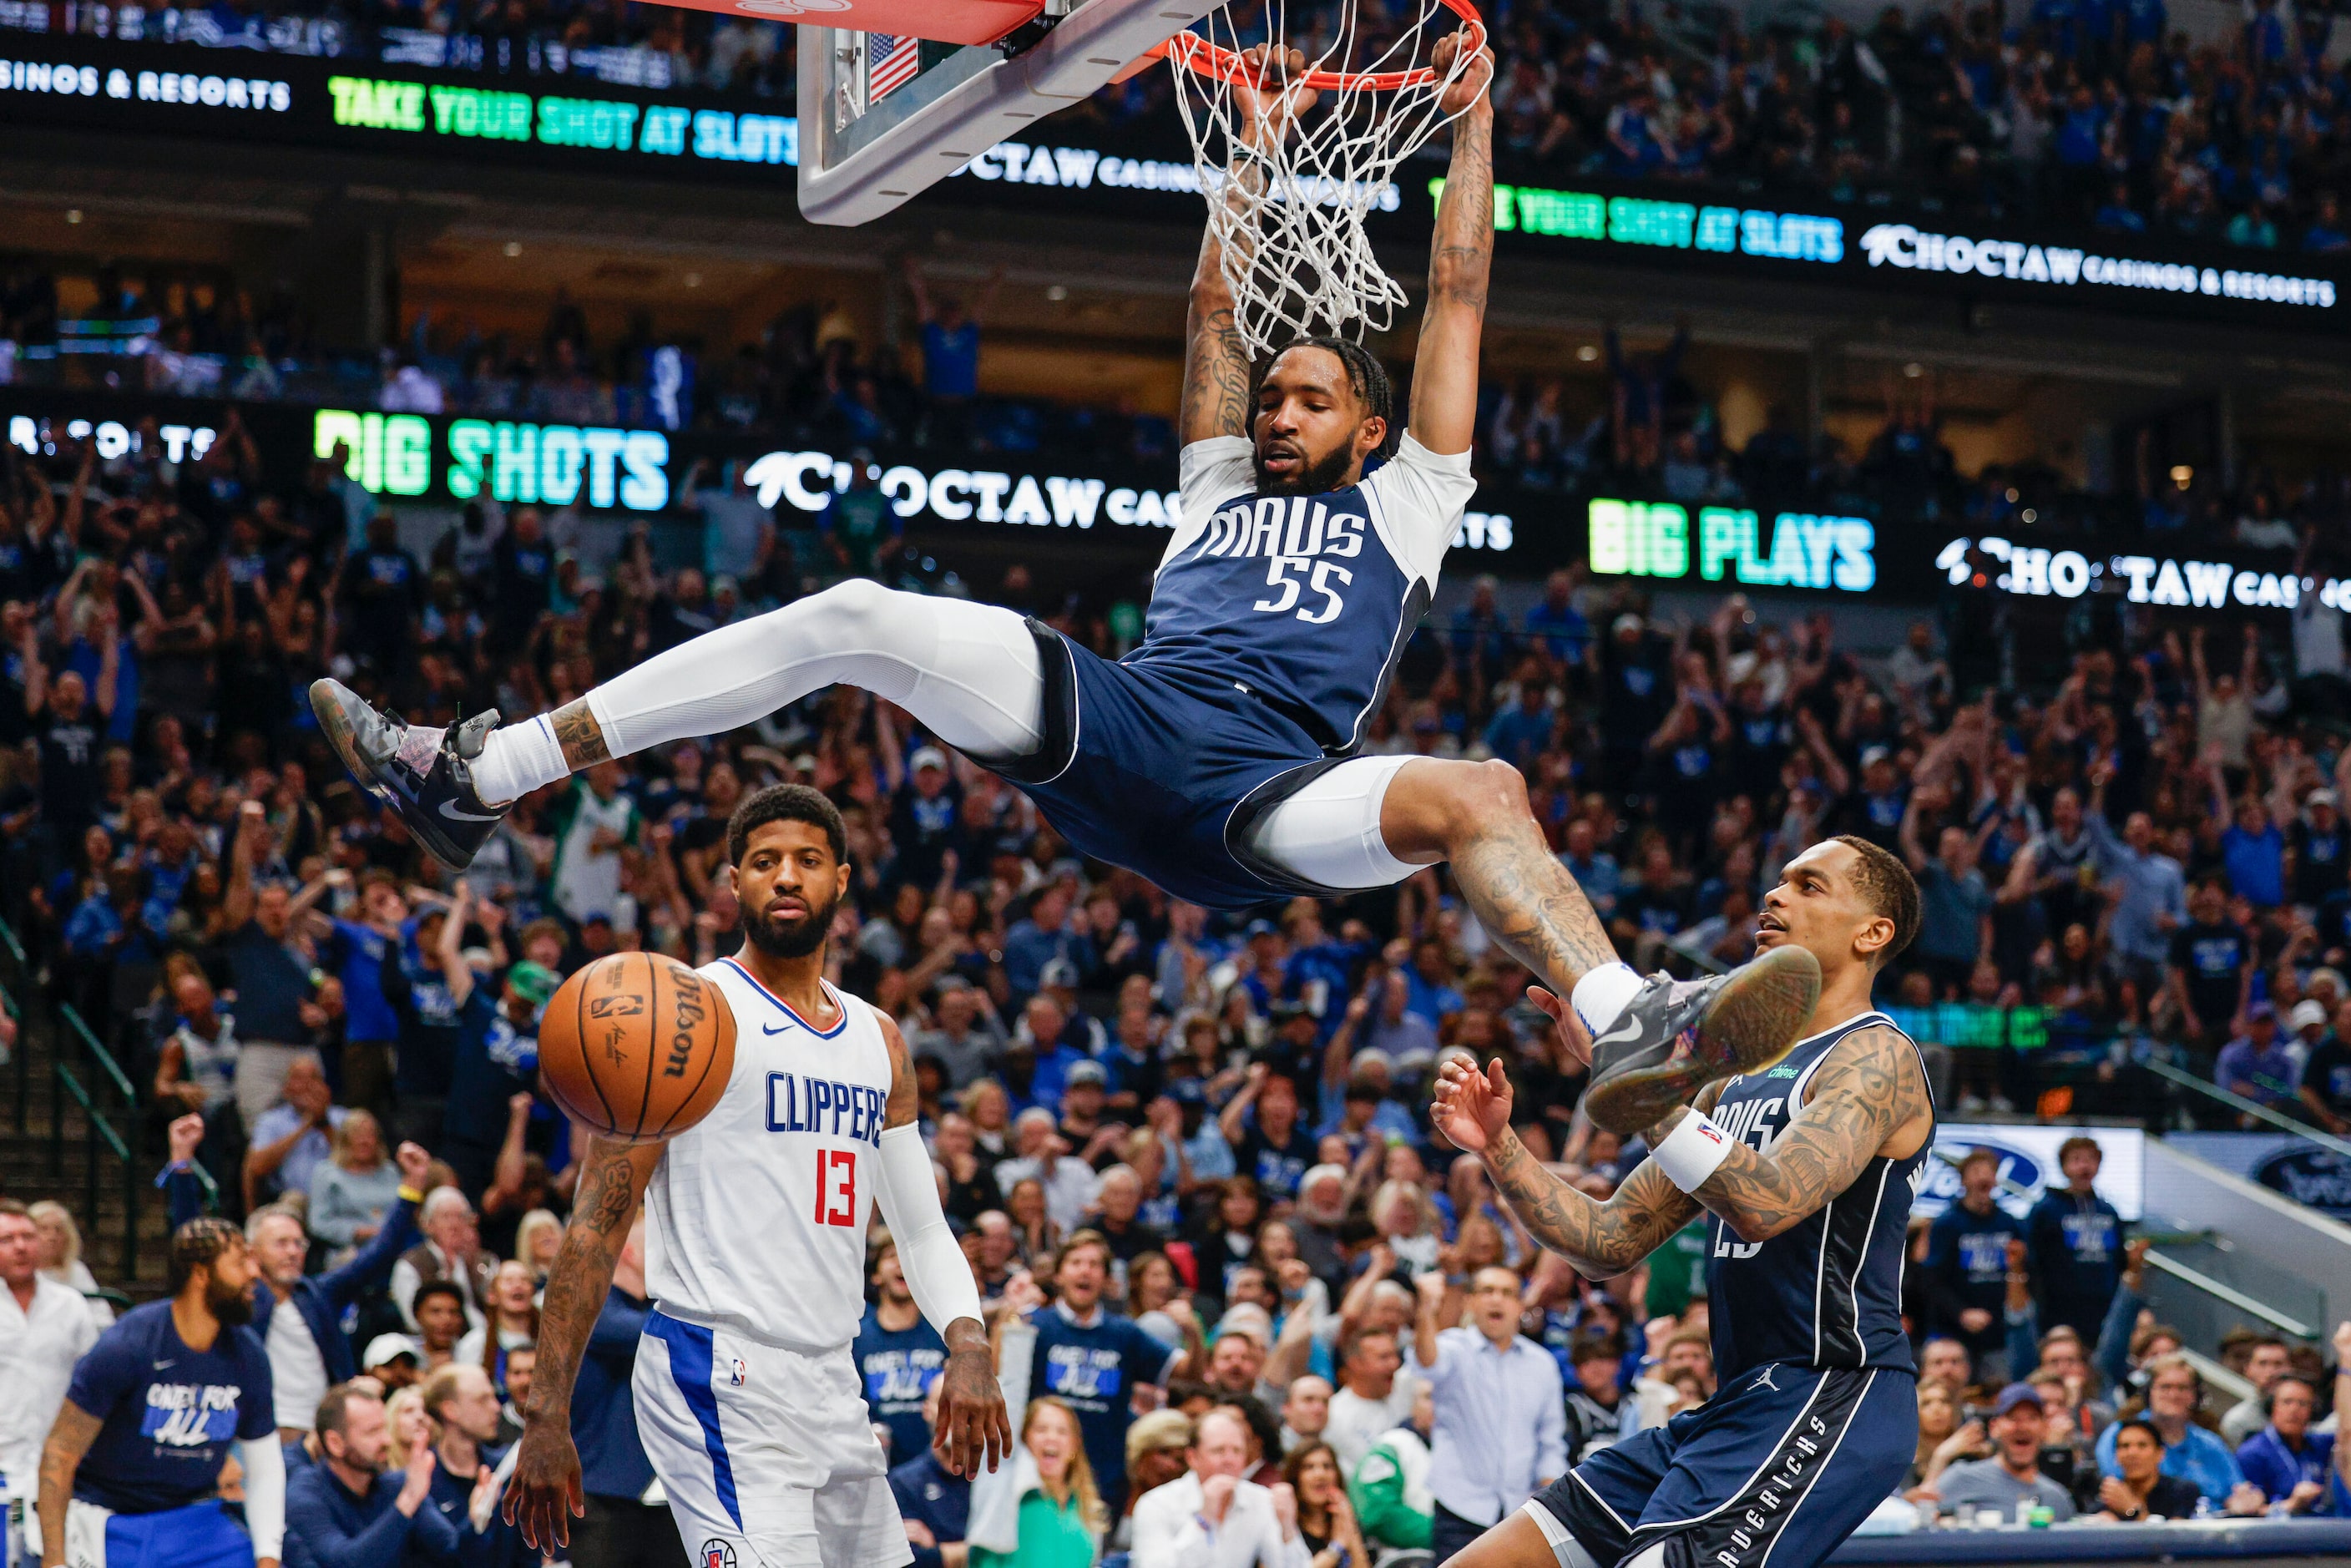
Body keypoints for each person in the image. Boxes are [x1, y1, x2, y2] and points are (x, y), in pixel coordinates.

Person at [312, 33, 1813, 1120]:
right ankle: (480, 771)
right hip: (1128, 718)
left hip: (1273, 790)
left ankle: (1628, 1018)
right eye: (1270, 396)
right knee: (854, 615)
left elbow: (1464, 287)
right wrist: (1253, 149)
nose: (1275, 412)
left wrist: (1472, 127)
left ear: (1366, 424)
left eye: (1307, 401)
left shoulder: (1413, 497)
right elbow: (1216, 304)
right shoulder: (1214, 476)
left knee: (1480, 789)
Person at [502, 785, 1010, 1565]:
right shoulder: (685, 1015)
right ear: (732, 882)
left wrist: (968, 1342)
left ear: (840, 879)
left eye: (807, 861)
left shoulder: (880, 1039)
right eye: (764, 861)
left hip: (834, 1380)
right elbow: (596, 1224)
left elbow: (919, 1226)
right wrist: (546, 1414)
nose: (785, 877)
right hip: (716, 1366)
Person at [1429, 835, 1934, 1568]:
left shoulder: (1876, 1057)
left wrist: (1642, 1081)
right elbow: (1606, 1243)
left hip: (1833, 1391)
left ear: (1873, 932)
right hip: (1738, 1402)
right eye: (1779, 879)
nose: (1775, 895)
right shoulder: (1730, 1079)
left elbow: (1769, 1202)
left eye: (1809, 885)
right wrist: (1500, 1149)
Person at [33, 1217, 287, 1568]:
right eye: (241, 1262)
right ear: (200, 1274)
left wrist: (268, 1558)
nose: (255, 1273)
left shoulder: (248, 1355)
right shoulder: (128, 1344)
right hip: (110, 1518)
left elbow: (265, 1468)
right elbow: (60, 1453)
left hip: (194, 1519)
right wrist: (55, 1558)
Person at [243, 1141, 430, 1437]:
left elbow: (377, 1256)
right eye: (281, 1243)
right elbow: (192, 1263)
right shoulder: (240, 1302)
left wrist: (411, 1188)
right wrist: (183, 1167)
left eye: (299, 1243)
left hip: (323, 1435)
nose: (293, 1251)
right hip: (265, 1431)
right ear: (252, 1253)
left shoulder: (317, 1294)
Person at [1019, 1229, 1201, 1517]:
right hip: (1038, 1471)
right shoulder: (1034, 1326)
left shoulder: (1124, 1333)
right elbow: (998, 1378)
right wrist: (1008, 1317)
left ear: (1106, 1280)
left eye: (1094, 1265)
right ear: (1059, 1275)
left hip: (1104, 1476)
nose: (1085, 1271)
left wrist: (1193, 1335)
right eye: (1076, 1262)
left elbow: (1187, 1376)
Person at [1413, 1267, 1564, 1560]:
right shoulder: (1454, 1348)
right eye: (1487, 1291)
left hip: (1523, 1513)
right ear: (1469, 1302)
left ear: (1520, 1306)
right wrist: (1425, 1312)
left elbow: (1550, 1439)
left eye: (1507, 1293)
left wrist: (1549, 1497)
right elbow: (1428, 1362)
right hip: (1459, 1509)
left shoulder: (1542, 1364)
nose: (1497, 1300)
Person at [564, 1211, 670, 1568]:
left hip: (661, 1495)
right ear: (628, 1252)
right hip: (602, 1500)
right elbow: (658, 1335)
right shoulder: (592, 1306)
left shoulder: (650, 1310)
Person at [281, 1381, 459, 1568]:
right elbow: (342, 1563)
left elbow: (452, 1552)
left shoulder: (396, 1485)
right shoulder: (305, 1494)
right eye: (372, 1432)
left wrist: (480, 1522)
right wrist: (407, 1502)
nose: (387, 1440)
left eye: (384, 1428)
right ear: (336, 1443)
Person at [0, 1200, 101, 1503]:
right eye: (7, 1239)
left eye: (28, 1237)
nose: (20, 1247)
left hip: (59, 1462)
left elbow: (94, 1380)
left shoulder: (71, 1304)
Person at [1131, 1407, 1310, 1568]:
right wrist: (1203, 1520)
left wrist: (1287, 1529)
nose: (1229, 1461)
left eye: (1237, 1451)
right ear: (1192, 1458)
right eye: (1218, 1451)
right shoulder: (1156, 1504)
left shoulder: (1261, 1499)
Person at [2091, 1354, 2264, 1510]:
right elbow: (2116, 1491)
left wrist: (2246, 1501)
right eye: (2165, 1387)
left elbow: (2238, 1490)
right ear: (2148, 1393)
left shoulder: (2211, 1444)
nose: (2174, 1395)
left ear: (2196, 1396)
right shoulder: (2121, 1435)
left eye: (2183, 1388)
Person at [966, 1398, 1105, 1568]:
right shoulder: (1009, 1495)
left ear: (1075, 1445)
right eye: (1041, 1429)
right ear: (1024, 1439)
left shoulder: (1087, 1510)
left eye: (1062, 1431)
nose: (1051, 1437)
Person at [1924, 1148, 2025, 1381]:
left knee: (1996, 1395)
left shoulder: (2009, 1223)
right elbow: (1931, 1280)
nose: (1984, 1177)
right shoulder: (1947, 1224)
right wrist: (1961, 1312)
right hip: (1952, 1330)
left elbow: (2025, 1273)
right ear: (1963, 1180)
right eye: (1977, 1171)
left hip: (1998, 1333)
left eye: (1990, 1171)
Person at [856, 1238, 949, 1467]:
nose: (901, 1263)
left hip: (937, 1469)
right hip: (875, 1468)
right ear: (876, 1275)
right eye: (890, 1256)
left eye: (908, 1257)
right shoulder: (858, 1338)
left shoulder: (943, 1334)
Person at [2023, 1136, 2125, 1342]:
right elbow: (2031, 1258)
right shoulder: (2046, 1209)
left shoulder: (2108, 1211)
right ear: (2064, 1166)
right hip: (2057, 1307)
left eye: (2090, 1159)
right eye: (2077, 1159)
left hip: (2102, 1306)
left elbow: (2119, 1260)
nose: (2084, 1166)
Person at [1928, 1383, 2075, 1523]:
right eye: (2013, 1418)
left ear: (2044, 1428)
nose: (2023, 1426)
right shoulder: (1961, 1478)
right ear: (1994, 1427)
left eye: (2032, 1418)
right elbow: (1920, 1516)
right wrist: (1939, 1458)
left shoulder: (2058, 1499)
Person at [2233, 1374, 2336, 1515]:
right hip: (2275, 1533)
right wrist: (2292, 1504)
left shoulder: (2321, 1445)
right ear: (2272, 1407)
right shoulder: (2252, 1453)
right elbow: (2248, 1512)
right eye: (2287, 1402)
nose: (2294, 1410)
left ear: (2313, 1411)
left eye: (2303, 1403)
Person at [2091, 1419, 2205, 1521]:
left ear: (2160, 1454)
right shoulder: (2111, 1497)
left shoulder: (2182, 1491)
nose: (2132, 1453)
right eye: (2125, 1446)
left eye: (2142, 1445)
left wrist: (2132, 1510)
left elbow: (2174, 1540)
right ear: (2116, 1456)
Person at [1281, 1441, 1369, 1568]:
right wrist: (1337, 1547)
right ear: (1295, 1477)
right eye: (1309, 1467)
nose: (1320, 1474)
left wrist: (1350, 1527)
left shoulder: (1343, 1521)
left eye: (1327, 1466)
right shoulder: (1286, 1526)